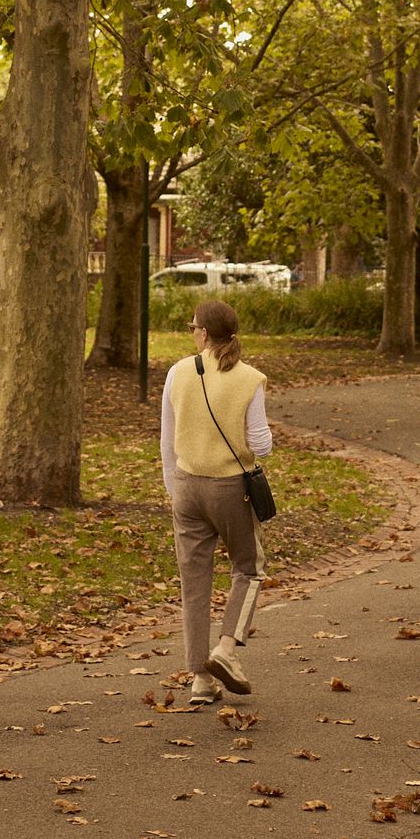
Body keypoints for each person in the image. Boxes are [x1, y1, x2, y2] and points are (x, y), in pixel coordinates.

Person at [159, 296, 271, 707]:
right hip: (229, 489)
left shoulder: (177, 373)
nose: (192, 333)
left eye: (193, 327)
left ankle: (200, 681)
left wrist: (175, 489)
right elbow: (261, 444)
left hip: (186, 486)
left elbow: (167, 437)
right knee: (250, 568)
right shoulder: (250, 379)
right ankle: (225, 648)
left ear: (203, 334)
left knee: (194, 582)